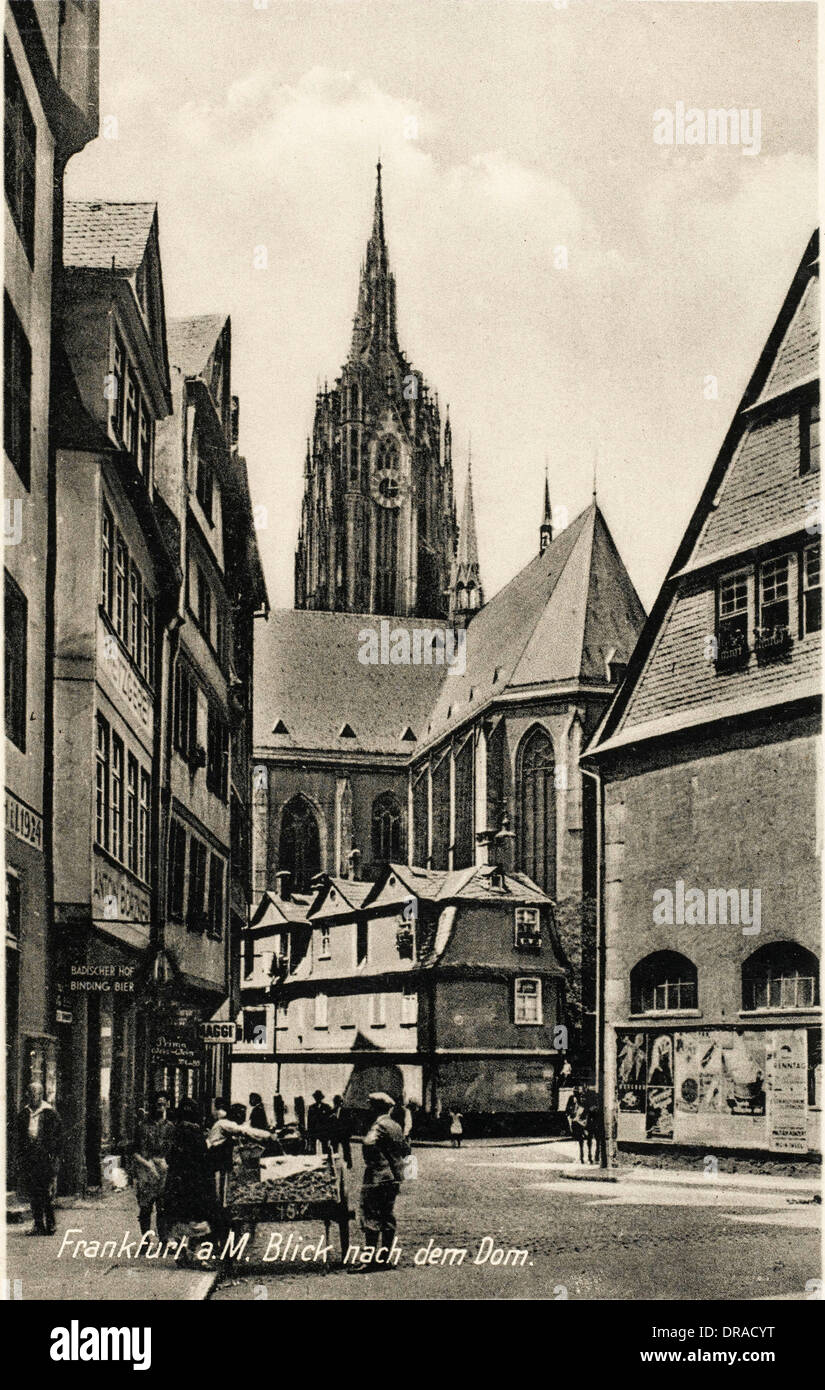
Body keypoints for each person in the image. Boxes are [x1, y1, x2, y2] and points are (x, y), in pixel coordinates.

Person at [165, 1097, 227, 1254]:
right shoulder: (194, 1131)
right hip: (195, 1182)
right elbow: (202, 1156)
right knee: (203, 1216)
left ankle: (184, 1251)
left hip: (178, 1181)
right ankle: (199, 1252)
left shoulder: (176, 1129)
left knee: (182, 1217)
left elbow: (170, 1157)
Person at [360, 1092, 410, 1265]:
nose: (369, 1109)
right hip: (394, 1177)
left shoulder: (379, 1125)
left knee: (371, 1215)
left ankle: (369, 1261)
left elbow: (369, 1143)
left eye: (371, 1105)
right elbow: (406, 1149)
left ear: (376, 1108)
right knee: (387, 1216)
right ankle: (384, 1259)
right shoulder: (395, 1125)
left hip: (378, 1176)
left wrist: (376, 1161)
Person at [17, 1082, 62, 1235]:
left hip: (45, 1159)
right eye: (30, 1093)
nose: (32, 1097)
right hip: (30, 1158)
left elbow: (57, 1138)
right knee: (33, 1192)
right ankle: (38, 1224)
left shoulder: (50, 1113)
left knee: (46, 1191)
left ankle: (50, 1223)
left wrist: (53, 1156)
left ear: (41, 1095)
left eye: (35, 1094)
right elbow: (18, 1138)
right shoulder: (23, 1114)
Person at [132, 1091, 175, 1239]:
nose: (160, 1108)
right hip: (146, 1170)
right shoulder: (142, 1126)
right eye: (158, 1104)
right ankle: (146, 1241)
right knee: (145, 1208)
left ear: (168, 1105)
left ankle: (163, 1239)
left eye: (163, 1104)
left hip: (164, 1171)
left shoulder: (170, 1128)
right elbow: (135, 1151)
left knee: (163, 1207)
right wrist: (147, 1164)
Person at [566, 1086, 594, 1164]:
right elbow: (569, 1111)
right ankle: (582, 1157)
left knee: (589, 1140)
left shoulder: (586, 1104)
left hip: (585, 1122)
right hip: (578, 1122)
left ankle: (589, 1156)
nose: (582, 1098)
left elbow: (589, 1113)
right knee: (580, 1140)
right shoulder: (574, 1101)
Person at [306, 1090, 332, 1155]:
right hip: (314, 1131)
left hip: (323, 1131)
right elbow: (309, 1121)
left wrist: (329, 1132)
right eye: (316, 1097)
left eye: (318, 1097)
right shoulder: (311, 1107)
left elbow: (329, 1120)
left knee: (325, 1148)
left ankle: (326, 1161)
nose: (317, 1099)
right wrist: (309, 1132)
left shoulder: (326, 1107)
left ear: (321, 1098)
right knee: (312, 1148)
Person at [330, 1095, 352, 1168]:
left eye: (338, 1102)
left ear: (341, 1102)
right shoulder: (331, 1111)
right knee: (334, 1150)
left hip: (344, 1134)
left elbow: (350, 1122)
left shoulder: (346, 1111)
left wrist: (348, 1132)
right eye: (335, 1102)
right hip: (335, 1134)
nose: (336, 1103)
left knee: (346, 1149)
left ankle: (348, 1162)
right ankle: (335, 1164)